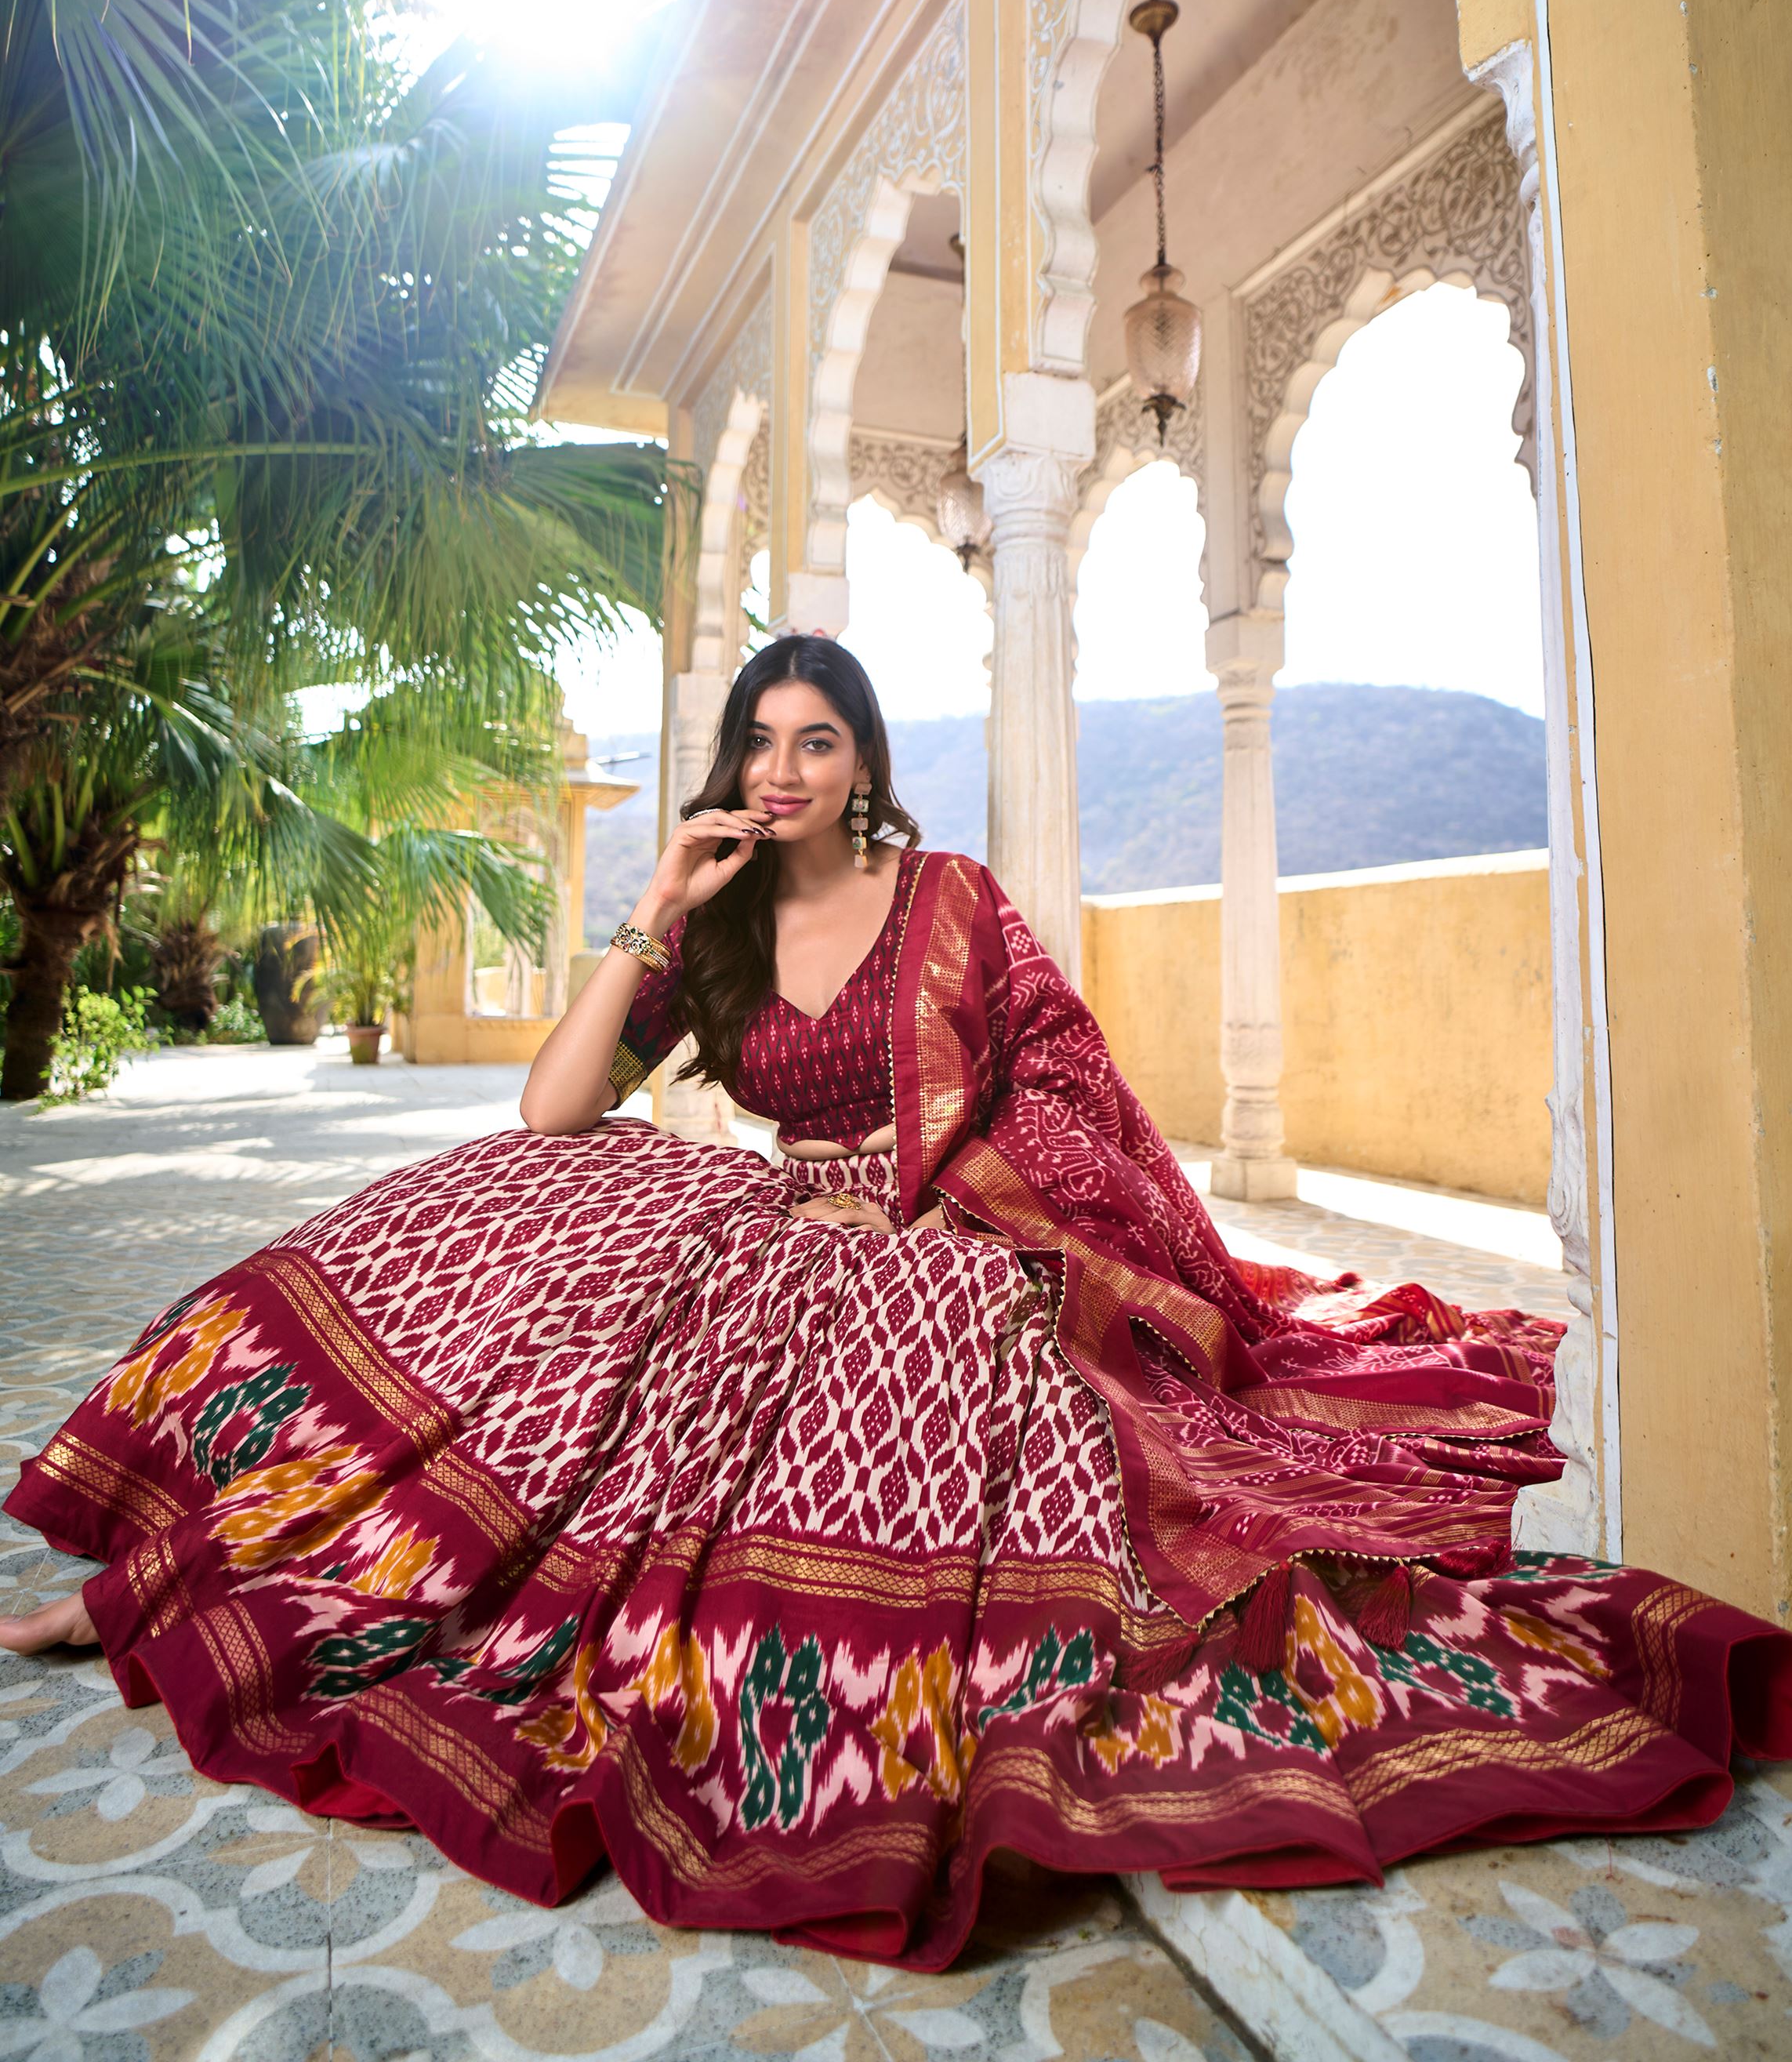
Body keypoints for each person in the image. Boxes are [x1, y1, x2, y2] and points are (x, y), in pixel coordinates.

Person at [2, 634, 1787, 1969]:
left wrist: (966, 1220)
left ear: (863, 762)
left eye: (819, 740)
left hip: (957, 1244)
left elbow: (1071, 1093)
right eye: (758, 745)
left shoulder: (946, 897)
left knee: (872, 1410)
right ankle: (228, 1555)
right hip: (783, 1226)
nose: (784, 770)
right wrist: (652, 907)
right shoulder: (710, 925)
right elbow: (551, 1109)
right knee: (528, 1247)